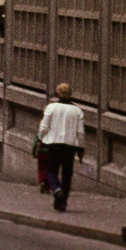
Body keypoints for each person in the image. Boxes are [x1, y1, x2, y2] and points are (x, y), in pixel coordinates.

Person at [37, 82, 86, 211]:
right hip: (70, 147)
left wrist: (40, 139)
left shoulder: (51, 108)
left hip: (54, 144)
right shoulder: (77, 111)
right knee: (67, 174)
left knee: (51, 171)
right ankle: (62, 202)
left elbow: (44, 126)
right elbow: (80, 132)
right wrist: (81, 148)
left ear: (58, 93)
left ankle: (56, 189)